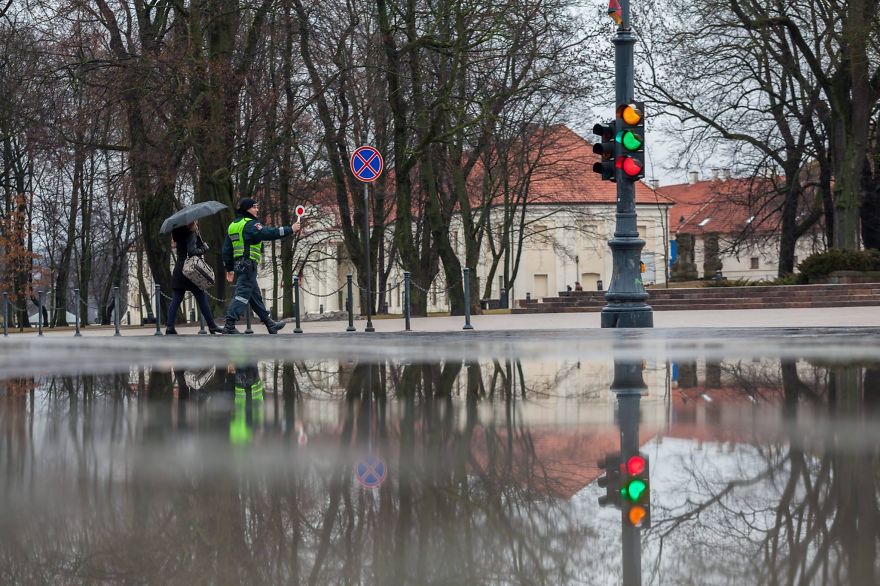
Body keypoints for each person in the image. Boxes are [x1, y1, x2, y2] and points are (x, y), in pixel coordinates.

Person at [221, 198, 301, 334]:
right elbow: (268, 233)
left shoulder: (233, 225)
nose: (257, 209)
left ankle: (270, 324)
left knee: (255, 296)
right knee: (241, 295)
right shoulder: (251, 224)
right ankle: (229, 325)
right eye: (254, 207)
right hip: (248, 265)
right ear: (247, 209)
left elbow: (226, 250)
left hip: (239, 266)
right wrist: (290, 229)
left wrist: (229, 269)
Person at [167, 222, 222, 335]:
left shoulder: (178, 234)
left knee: (176, 299)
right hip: (191, 270)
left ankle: (169, 327)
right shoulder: (191, 234)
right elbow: (192, 252)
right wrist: (204, 248)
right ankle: (212, 326)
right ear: (191, 223)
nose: (197, 223)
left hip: (179, 269)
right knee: (201, 297)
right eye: (195, 221)